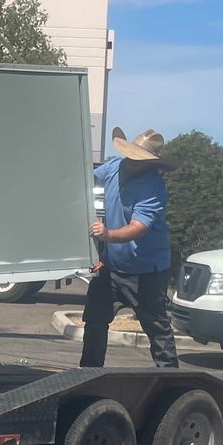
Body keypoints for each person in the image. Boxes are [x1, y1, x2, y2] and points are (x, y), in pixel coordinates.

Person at [82, 126, 179, 369]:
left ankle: (169, 378)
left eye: (138, 159)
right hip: (112, 267)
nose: (131, 162)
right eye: (130, 155)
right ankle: (88, 373)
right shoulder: (115, 166)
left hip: (146, 272)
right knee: (95, 319)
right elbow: (87, 177)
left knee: (156, 327)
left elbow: (138, 228)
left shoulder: (154, 189)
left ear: (148, 163)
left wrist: (107, 234)